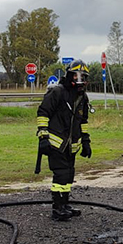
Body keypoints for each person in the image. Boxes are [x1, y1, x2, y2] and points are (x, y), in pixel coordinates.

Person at [37, 59, 92, 221]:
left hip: (72, 145)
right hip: (56, 142)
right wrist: (43, 136)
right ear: (69, 75)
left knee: (69, 174)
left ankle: (65, 204)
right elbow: (43, 113)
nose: (79, 79)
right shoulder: (57, 92)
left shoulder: (82, 97)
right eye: (76, 76)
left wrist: (86, 141)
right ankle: (57, 207)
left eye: (83, 76)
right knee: (60, 174)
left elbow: (83, 121)